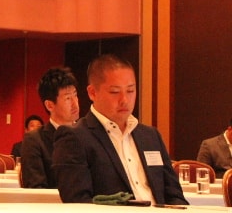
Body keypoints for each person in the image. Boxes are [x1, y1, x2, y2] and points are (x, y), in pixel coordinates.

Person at [53, 54, 187, 205]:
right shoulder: (74, 137)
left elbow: (175, 196)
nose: (124, 100)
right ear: (92, 93)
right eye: (115, 92)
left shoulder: (150, 136)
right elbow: (78, 203)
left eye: (130, 91)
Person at [21, 67, 79, 188]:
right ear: (49, 105)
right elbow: (36, 188)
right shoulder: (35, 141)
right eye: (68, 98)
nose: (75, 103)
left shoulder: (87, 134)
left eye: (75, 95)